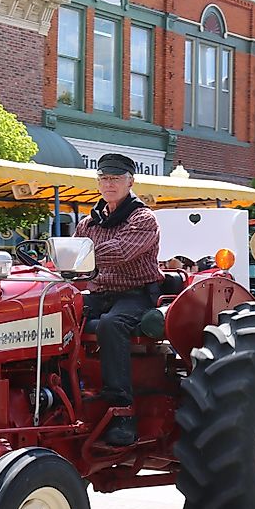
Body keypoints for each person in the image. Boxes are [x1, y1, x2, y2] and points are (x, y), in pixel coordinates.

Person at [75, 152, 162, 446]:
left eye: (115, 179)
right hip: (98, 293)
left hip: (135, 295)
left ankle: (122, 412)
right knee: (54, 315)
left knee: (111, 325)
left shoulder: (143, 219)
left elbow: (121, 252)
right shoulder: (88, 223)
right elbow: (73, 262)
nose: (108, 184)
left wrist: (77, 255)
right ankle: (66, 392)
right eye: (104, 178)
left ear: (130, 182)